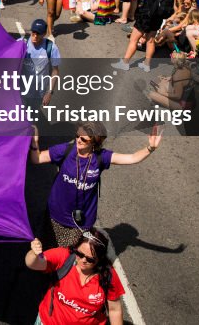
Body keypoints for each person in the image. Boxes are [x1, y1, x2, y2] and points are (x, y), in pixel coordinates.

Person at [30, 122, 161, 247]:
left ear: (94, 142)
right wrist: (34, 141)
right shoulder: (66, 150)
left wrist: (150, 148)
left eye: (83, 139)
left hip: (81, 222)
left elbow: (132, 158)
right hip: (55, 215)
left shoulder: (101, 157)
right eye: (77, 136)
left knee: (68, 257)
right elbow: (37, 158)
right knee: (45, 250)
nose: (78, 140)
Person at [24, 227, 125, 325]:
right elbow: (32, 264)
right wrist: (34, 254)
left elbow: (114, 310)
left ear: (100, 259)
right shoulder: (64, 257)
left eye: (90, 259)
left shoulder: (107, 275)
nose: (83, 260)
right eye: (79, 254)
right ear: (76, 248)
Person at [111, 0, 172, 72]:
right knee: (150, 40)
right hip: (158, 17)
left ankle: (125, 63)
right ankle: (147, 65)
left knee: (133, 40)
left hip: (145, 16)